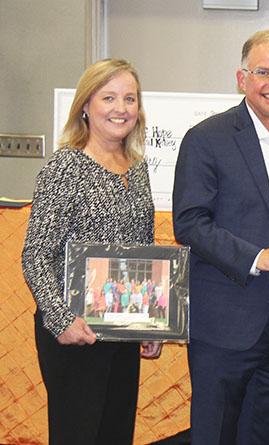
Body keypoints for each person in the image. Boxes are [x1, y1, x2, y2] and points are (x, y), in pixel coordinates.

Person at [172, 30, 269, 444]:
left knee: (267, 432)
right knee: (215, 433)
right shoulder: (207, 138)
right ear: (242, 78)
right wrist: (257, 257)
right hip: (224, 319)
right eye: (263, 72)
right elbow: (190, 222)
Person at [22, 58, 162, 445]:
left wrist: (152, 321)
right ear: (86, 105)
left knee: (116, 434)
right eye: (109, 98)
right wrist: (61, 319)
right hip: (76, 333)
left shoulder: (137, 168)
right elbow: (36, 255)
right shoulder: (64, 167)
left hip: (123, 329)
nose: (121, 108)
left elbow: (143, 249)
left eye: (130, 98)